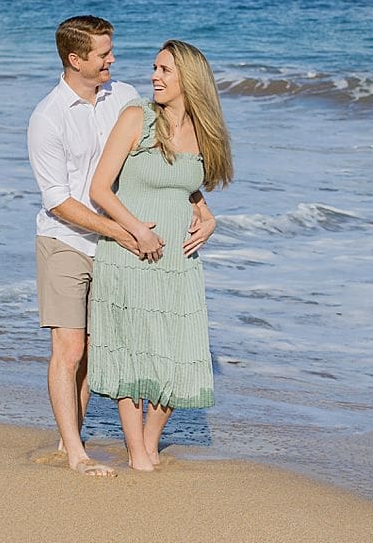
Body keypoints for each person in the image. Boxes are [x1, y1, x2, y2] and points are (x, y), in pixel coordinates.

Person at [27, 18, 216, 477]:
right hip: (68, 240)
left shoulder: (124, 97)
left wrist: (200, 206)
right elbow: (59, 200)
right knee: (70, 349)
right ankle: (75, 451)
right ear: (76, 60)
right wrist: (119, 229)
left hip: (120, 246)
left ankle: (73, 433)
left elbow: (161, 165)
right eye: (103, 54)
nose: (113, 59)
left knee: (101, 350)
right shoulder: (48, 117)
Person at [87, 40, 234, 472]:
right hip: (130, 254)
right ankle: (137, 453)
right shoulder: (137, 117)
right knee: (133, 351)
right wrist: (136, 230)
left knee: (176, 352)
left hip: (179, 263)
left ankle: (150, 444)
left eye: (165, 70)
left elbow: (185, 185)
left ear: (189, 78)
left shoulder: (203, 132)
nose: (154, 76)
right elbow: (99, 188)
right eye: (155, 67)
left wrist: (208, 216)